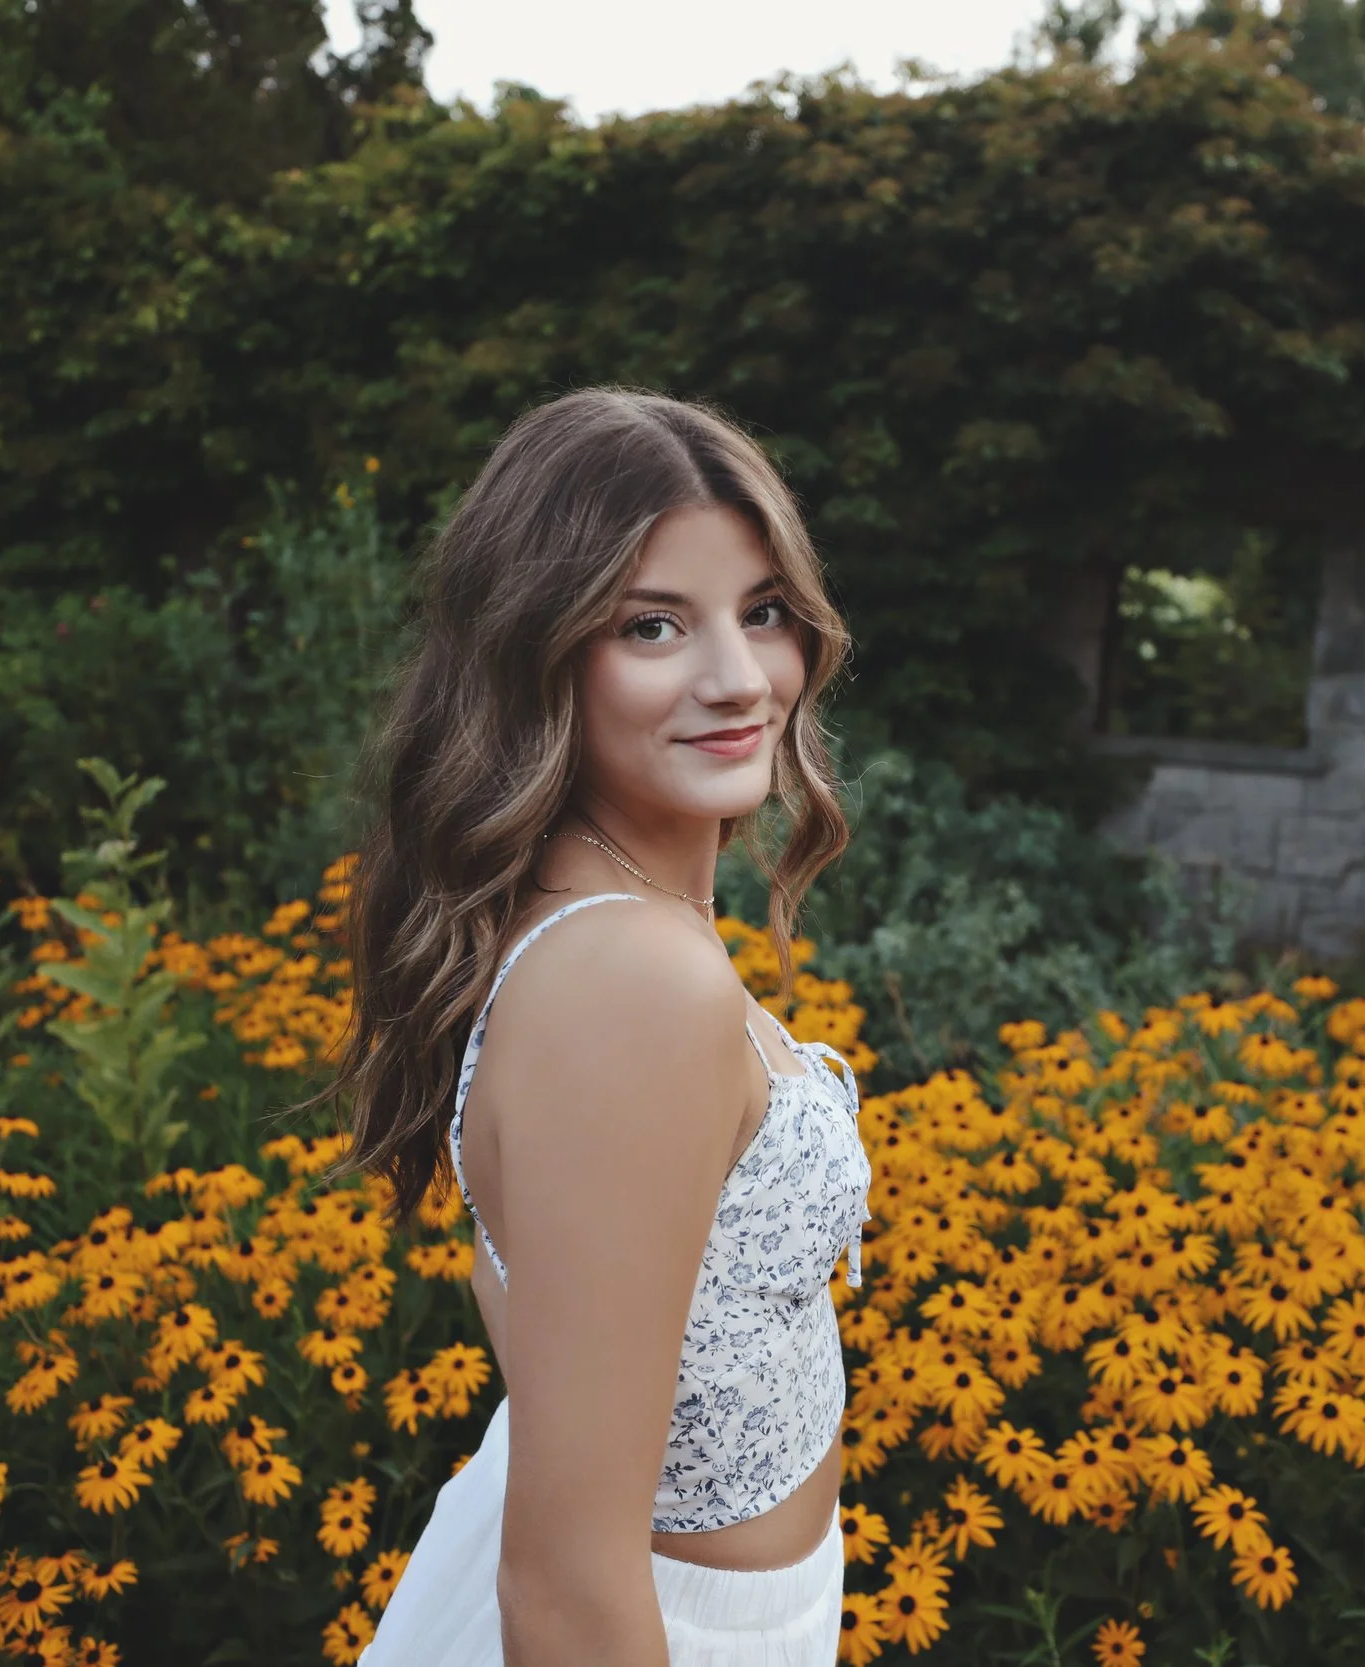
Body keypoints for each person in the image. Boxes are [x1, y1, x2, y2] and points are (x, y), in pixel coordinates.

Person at [328, 386, 875, 1665]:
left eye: (764, 612)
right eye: (652, 624)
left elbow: (521, 1276)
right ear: (537, 651)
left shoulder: (576, 925)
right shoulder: (632, 977)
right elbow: (568, 1581)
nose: (739, 678)